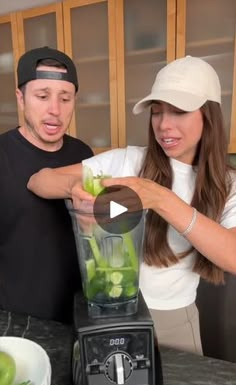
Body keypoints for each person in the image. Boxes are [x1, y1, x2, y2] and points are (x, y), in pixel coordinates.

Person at [27, 56, 236, 353]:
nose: (164, 125)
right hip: (110, 309)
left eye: (178, 111)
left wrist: (159, 198)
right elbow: (39, 180)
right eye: (157, 112)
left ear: (208, 116)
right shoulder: (128, 161)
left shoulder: (228, 185)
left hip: (175, 321)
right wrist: (74, 187)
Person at [0, 46, 93, 323]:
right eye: (42, 96)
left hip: (78, 312)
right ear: (21, 98)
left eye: (65, 98)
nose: (55, 110)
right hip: (13, 317)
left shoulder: (84, 155)